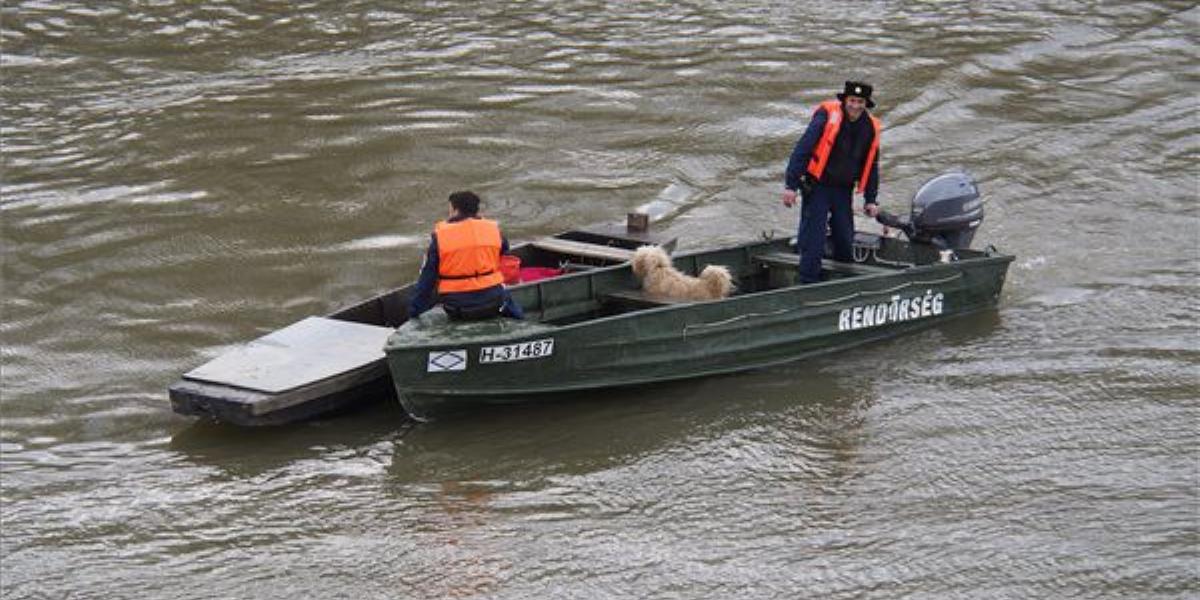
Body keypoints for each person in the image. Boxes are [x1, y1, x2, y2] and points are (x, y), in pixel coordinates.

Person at [782, 80, 882, 284]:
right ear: (845, 100)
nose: (855, 106)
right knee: (814, 238)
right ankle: (807, 283)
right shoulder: (826, 116)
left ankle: (843, 281)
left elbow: (871, 165)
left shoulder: (870, 128)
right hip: (817, 186)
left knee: (845, 237)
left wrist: (871, 199)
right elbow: (803, 149)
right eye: (852, 100)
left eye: (860, 101)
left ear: (866, 104)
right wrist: (790, 186)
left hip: (843, 190)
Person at [407, 191, 524, 320]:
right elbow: (505, 256)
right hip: (493, 302)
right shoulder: (493, 230)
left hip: (457, 306)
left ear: (455, 210)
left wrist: (414, 311)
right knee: (508, 300)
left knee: (433, 285)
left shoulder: (441, 237)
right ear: (477, 210)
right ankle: (520, 321)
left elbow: (427, 278)